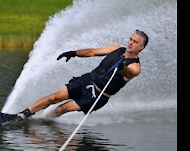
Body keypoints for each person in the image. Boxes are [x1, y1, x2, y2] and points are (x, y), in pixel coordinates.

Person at [17, 29, 149, 118]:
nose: (130, 43)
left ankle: (42, 122)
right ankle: (23, 115)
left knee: (62, 109)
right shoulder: (116, 49)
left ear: (141, 47)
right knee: (54, 97)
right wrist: (74, 53)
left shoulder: (136, 67)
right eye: (130, 39)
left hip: (97, 95)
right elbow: (92, 52)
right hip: (87, 80)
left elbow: (128, 72)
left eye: (135, 42)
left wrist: (122, 68)